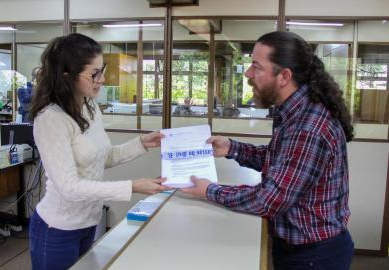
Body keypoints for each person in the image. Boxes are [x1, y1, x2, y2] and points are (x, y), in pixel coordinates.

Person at [182, 31, 354, 270]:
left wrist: (210, 191)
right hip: (304, 249)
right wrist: (231, 148)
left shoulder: (308, 126)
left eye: (256, 66)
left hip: (314, 257)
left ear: (283, 76)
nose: (248, 73)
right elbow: (284, 162)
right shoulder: (295, 112)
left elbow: (270, 200)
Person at [29, 33, 170, 270]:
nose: (102, 79)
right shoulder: (50, 119)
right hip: (57, 229)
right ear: (67, 74)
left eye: (101, 69)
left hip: (88, 222)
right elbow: (69, 187)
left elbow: (101, 157)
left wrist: (142, 143)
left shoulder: (89, 105)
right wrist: (132, 186)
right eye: (94, 73)